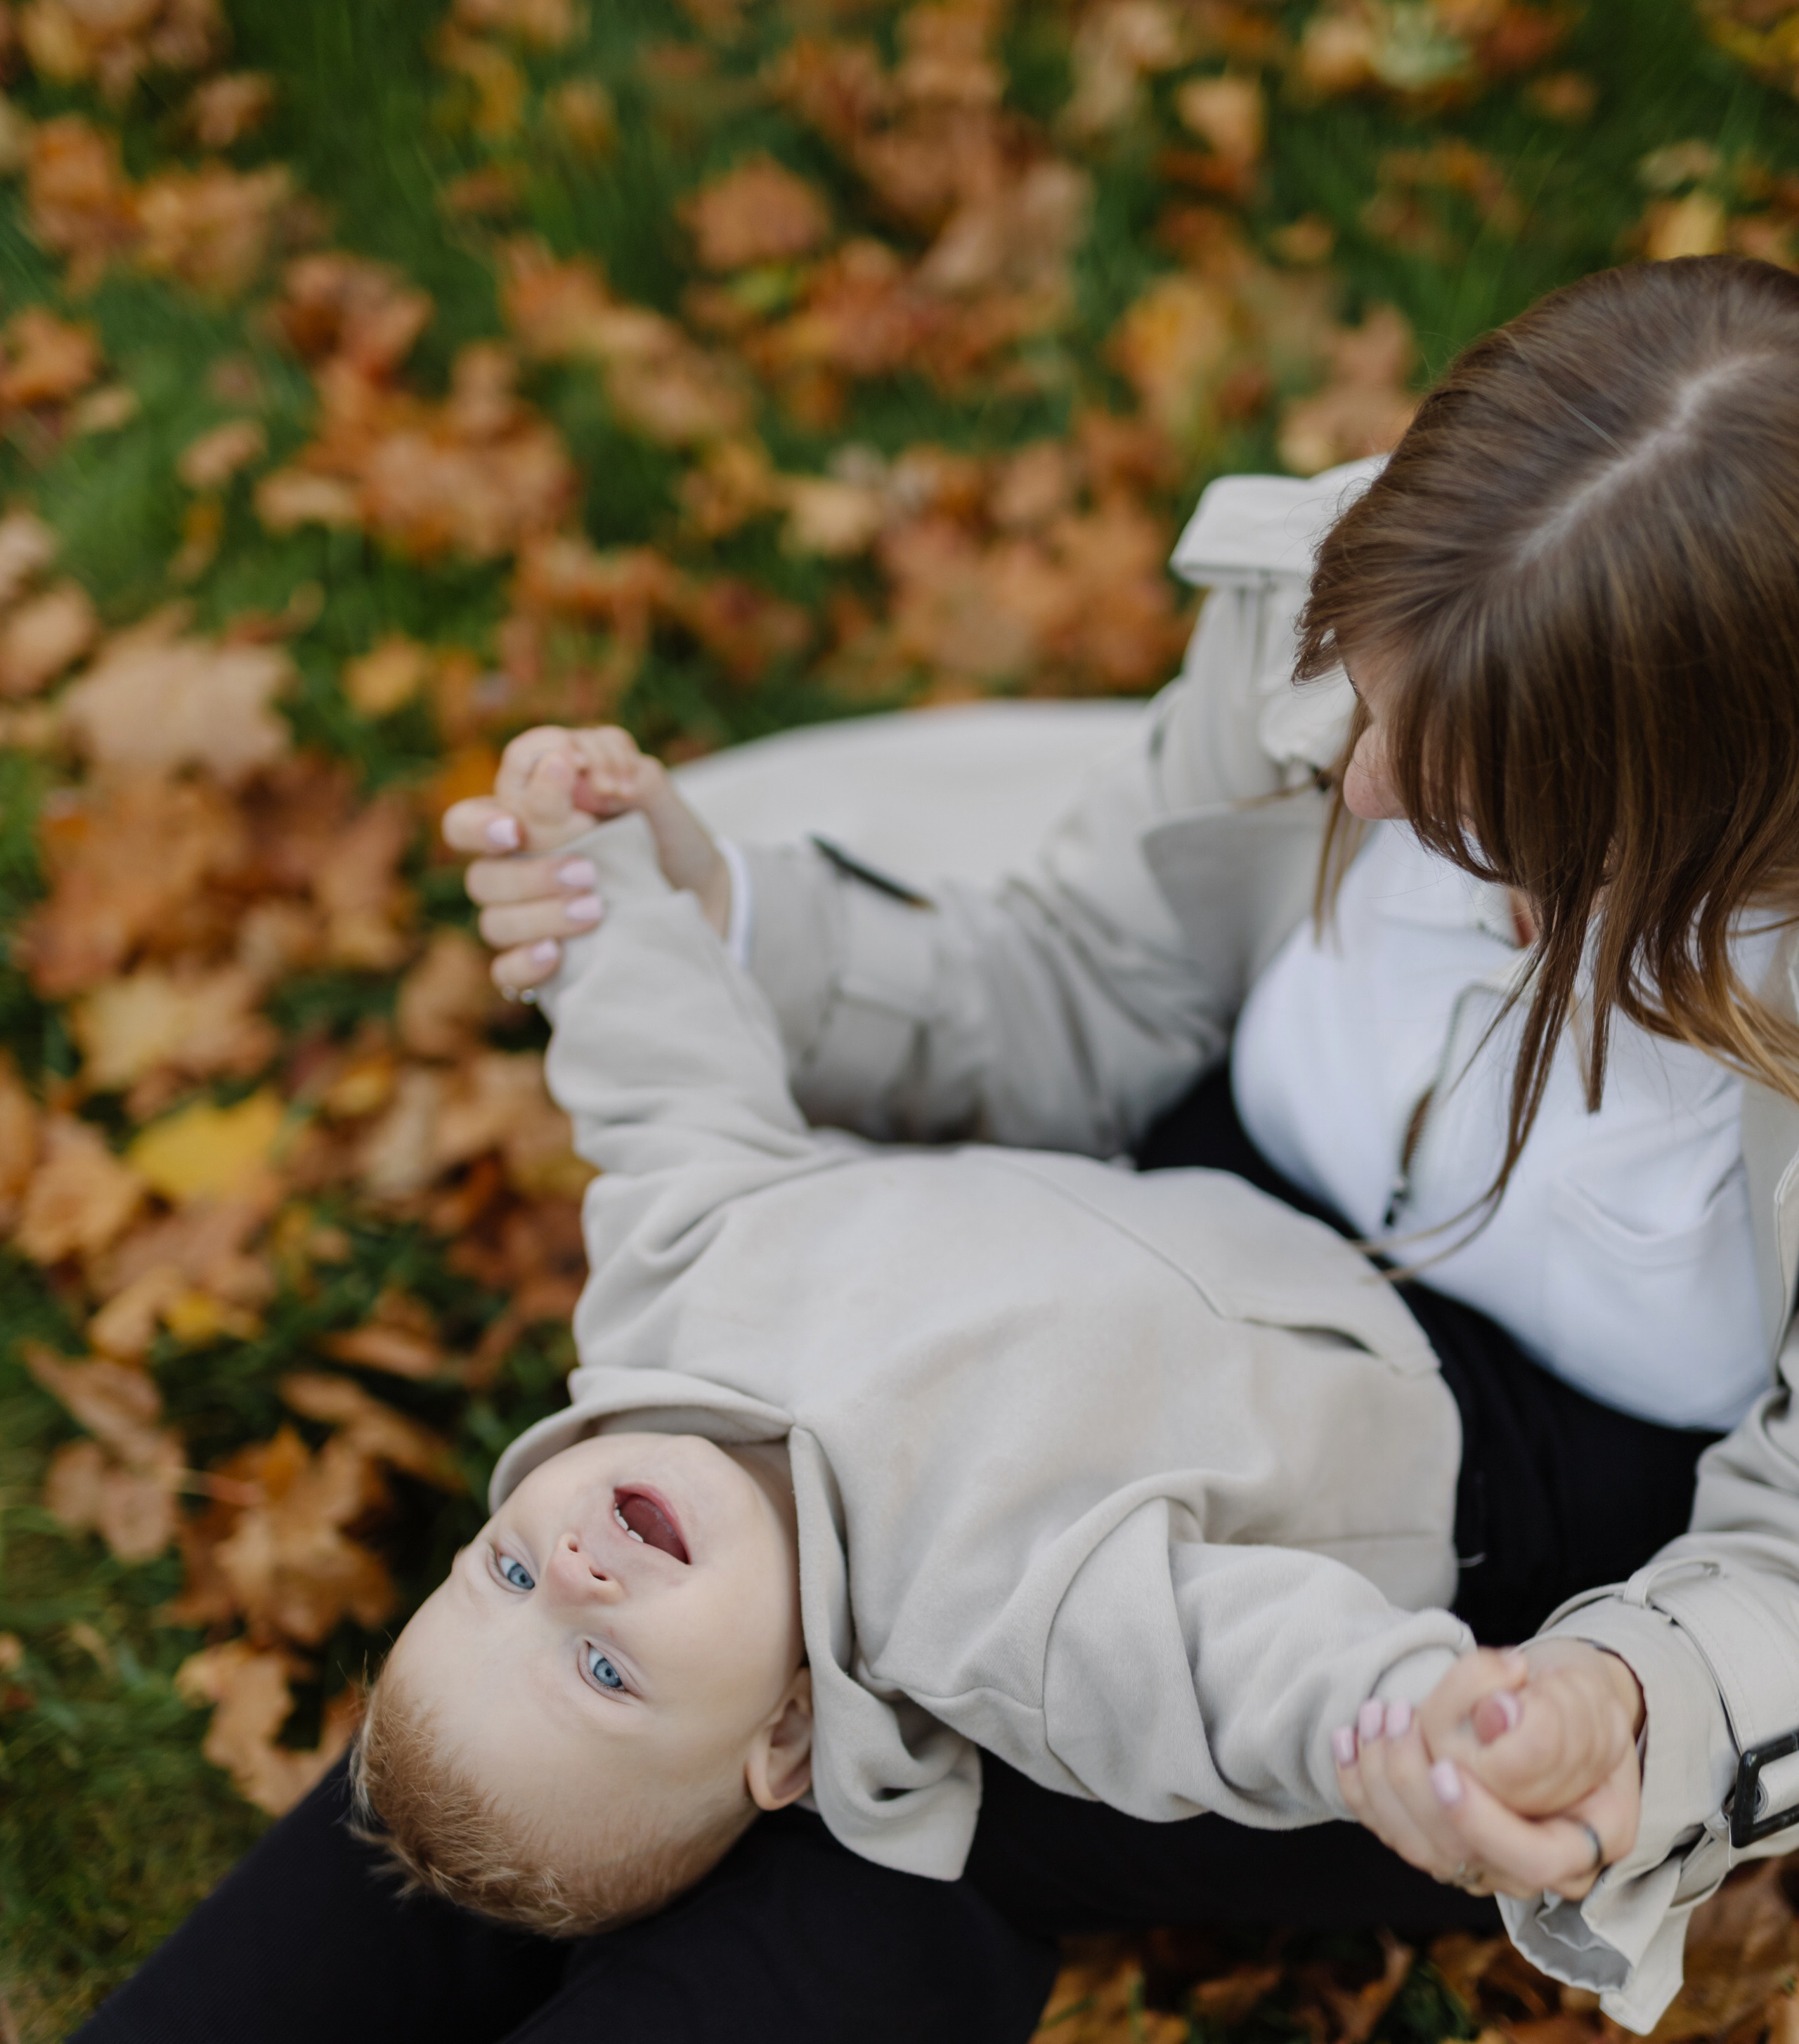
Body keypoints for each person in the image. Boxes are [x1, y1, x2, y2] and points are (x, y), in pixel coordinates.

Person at [3, 253, 1798, 2044]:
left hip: (1418, 1545)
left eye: (1458, 804)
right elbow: (1082, 985)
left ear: (1706, 839)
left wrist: (1620, 1722)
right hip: (1111, 1246)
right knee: (621, 1590)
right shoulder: (1368, 637)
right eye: (1364, 710)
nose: (1359, 789)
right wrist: (711, 928)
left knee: (852, 1829)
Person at [362, 720, 1638, 1943]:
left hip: (1240, 1196)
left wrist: (591, 869)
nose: (578, 1580)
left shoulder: (670, 1291)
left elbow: (659, 1083)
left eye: (509, 1575)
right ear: (792, 1736)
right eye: (603, 1675)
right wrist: (1404, 1708)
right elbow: (1228, 1667)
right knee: (1660, 1447)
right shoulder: (993, 1631)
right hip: (1452, 1426)